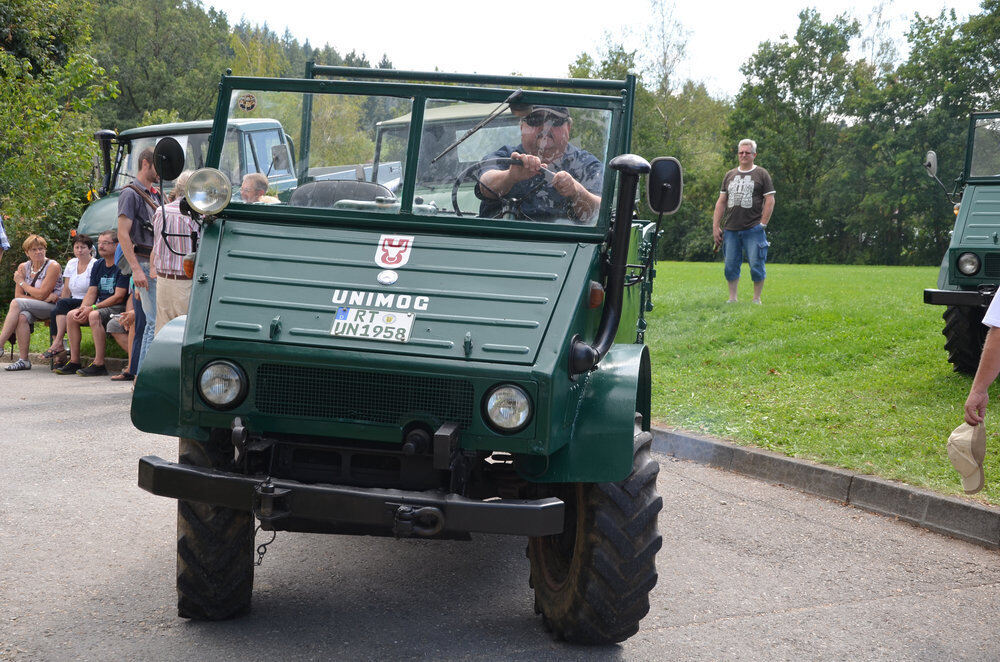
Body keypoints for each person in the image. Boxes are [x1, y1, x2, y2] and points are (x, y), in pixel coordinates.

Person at [476, 105, 603, 223]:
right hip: (500, 241)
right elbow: (485, 184)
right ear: (522, 128)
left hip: (564, 243)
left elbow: (599, 212)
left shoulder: (585, 163)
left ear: (568, 128)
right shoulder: (506, 157)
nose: (545, 128)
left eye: (555, 121)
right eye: (535, 120)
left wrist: (576, 191)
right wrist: (509, 176)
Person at [56, 230, 129, 376]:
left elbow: (119, 296)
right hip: (101, 305)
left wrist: (93, 307)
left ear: (116, 245)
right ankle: (75, 361)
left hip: (118, 307)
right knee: (72, 315)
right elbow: (92, 291)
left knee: (94, 315)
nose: (100, 246)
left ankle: (99, 363)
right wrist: (83, 308)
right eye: (99, 243)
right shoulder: (99, 264)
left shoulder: (122, 264)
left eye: (105, 243)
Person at [712, 139, 775, 304]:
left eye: (747, 152)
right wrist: (716, 226)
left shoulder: (761, 174)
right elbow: (721, 202)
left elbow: (770, 200)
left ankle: (756, 299)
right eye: (741, 152)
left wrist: (763, 224)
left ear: (754, 155)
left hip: (754, 229)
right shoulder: (730, 175)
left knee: (756, 264)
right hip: (731, 229)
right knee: (730, 266)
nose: (744, 155)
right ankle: (732, 298)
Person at [117, 147, 160, 371]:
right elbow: (122, 234)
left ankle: (141, 376)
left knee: (154, 323)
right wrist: (135, 269)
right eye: (158, 166)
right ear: (146, 163)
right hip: (143, 261)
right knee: (152, 323)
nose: (161, 172)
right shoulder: (130, 194)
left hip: (155, 263)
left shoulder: (155, 194)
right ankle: (143, 378)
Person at [0, 235, 64, 371]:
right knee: (22, 315)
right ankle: (24, 360)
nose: (38, 252)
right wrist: (40, 297)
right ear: (27, 253)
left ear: (45, 250)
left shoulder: (53, 266)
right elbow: (19, 295)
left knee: (17, 304)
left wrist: (22, 282)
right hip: (36, 305)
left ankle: (0, 345)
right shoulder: (23, 267)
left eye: (41, 248)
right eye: (34, 250)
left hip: (54, 307)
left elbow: (41, 294)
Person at [151, 170, 197, 333]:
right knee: (185, 332)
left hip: (163, 280)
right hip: (186, 281)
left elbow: (156, 244)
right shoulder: (195, 215)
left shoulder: (160, 211)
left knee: (163, 332)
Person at [43, 234, 96, 361]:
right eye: (76, 247)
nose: (79, 250)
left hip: (88, 301)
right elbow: (66, 289)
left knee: (62, 305)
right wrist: (61, 303)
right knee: (55, 311)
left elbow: (94, 290)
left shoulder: (95, 264)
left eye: (83, 247)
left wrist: (64, 303)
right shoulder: (71, 263)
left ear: (90, 249)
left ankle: (58, 343)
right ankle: (59, 358)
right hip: (72, 300)